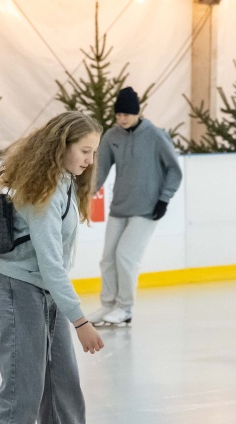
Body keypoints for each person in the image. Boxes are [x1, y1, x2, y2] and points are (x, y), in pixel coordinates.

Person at [0, 111, 109, 424]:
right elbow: (51, 265)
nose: (90, 159)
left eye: (93, 152)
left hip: (44, 291)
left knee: (64, 387)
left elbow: (53, 269)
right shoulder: (45, 191)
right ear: (62, 146)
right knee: (24, 388)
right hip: (17, 290)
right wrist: (80, 320)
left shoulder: (66, 182)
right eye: (84, 150)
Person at [85, 87, 183, 326]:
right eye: (118, 115)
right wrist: (87, 191)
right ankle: (108, 305)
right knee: (107, 258)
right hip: (120, 207)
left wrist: (164, 199)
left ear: (137, 112)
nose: (122, 119)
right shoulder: (112, 136)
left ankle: (125, 308)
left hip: (147, 209)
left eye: (126, 114)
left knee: (125, 256)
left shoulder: (155, 135)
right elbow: (100, 169)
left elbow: (174, 170)